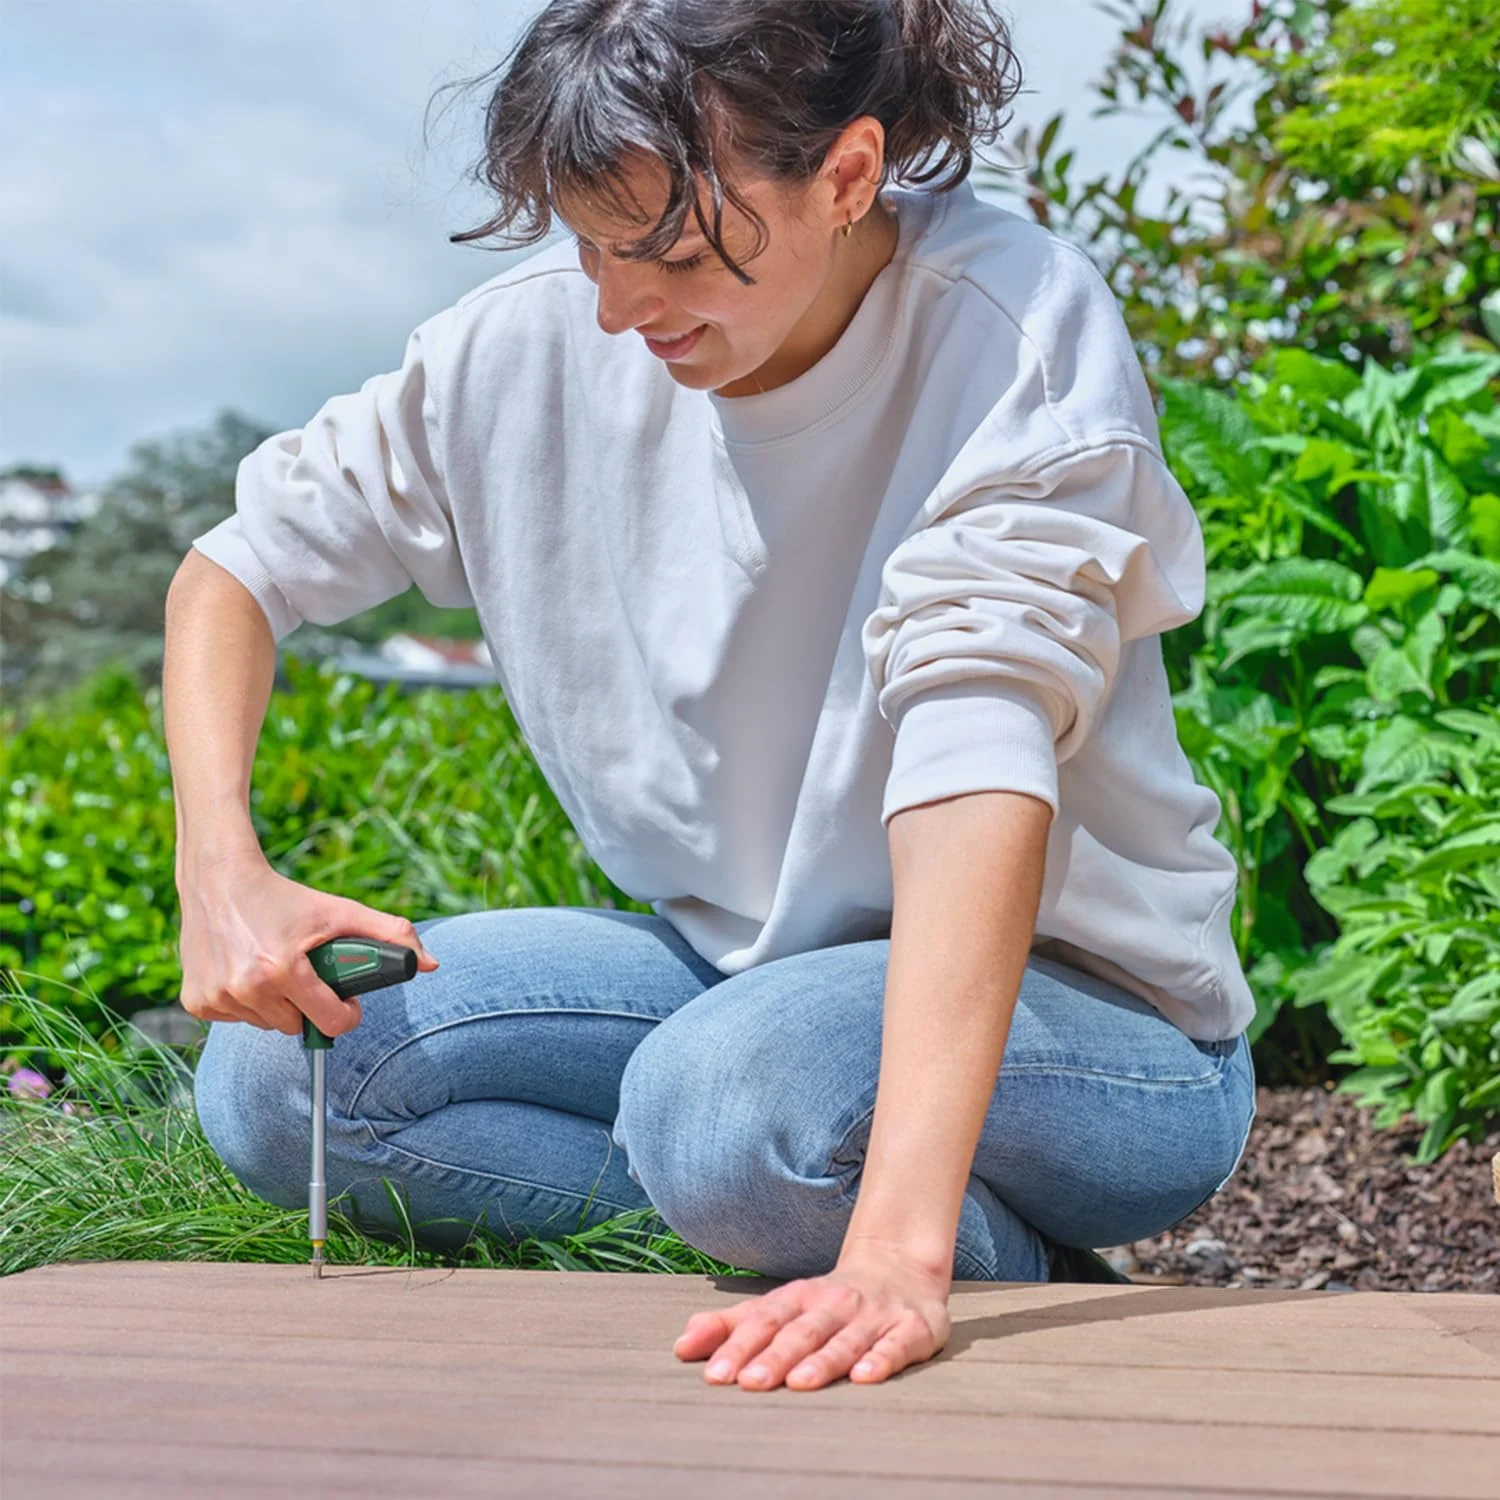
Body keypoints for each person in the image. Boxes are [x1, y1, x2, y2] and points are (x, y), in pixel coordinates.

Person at [167, 0, 1257, 1393]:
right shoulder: (524, 352)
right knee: (284, 1079)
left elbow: (976, 756)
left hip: (1104, 1033)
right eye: (591, 246)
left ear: (850, 175)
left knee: (728, 1111)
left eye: (675, 253)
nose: (621, 309)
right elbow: (233, 572)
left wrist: (900, 1256)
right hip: (736, 976)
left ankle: (909, 1241)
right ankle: (766, 1218)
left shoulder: (1011, 338)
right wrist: (224, 865)